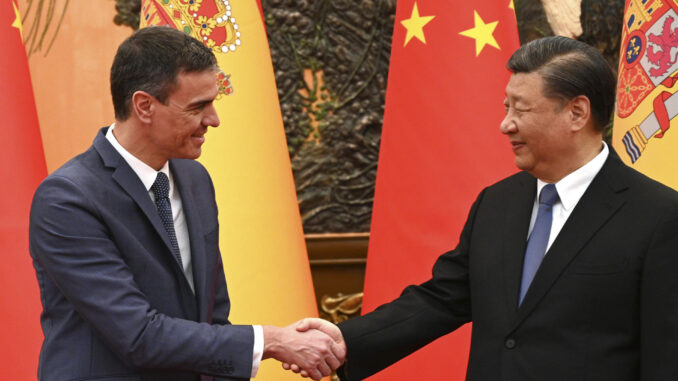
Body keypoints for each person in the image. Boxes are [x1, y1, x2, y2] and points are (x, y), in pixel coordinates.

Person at [293, 36, 678, 380]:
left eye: (520, 110)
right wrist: (345, 340)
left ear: (577, 113)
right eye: (505, 107)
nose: (505, 125)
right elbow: (442, 299)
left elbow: (666, 356)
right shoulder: (497, 203)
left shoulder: (658, 216)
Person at [29, 26, 344, 381]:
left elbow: (212, 317)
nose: (213, 120)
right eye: (198, 107)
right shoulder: (67, 199)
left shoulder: (195, 180)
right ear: (144, 106)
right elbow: (138, 335)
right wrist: (270, 340)